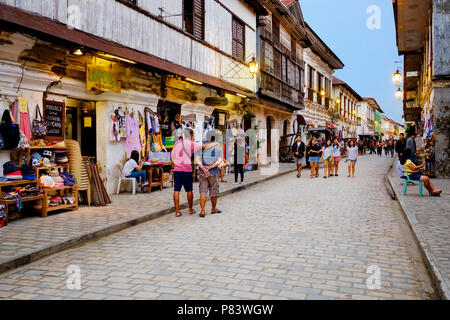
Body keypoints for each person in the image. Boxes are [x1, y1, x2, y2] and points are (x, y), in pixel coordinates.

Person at [171, 128, 217, 217]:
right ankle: (190, 209)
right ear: (191, 136)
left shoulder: (177, 143)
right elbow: (203, 147)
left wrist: (174, 165)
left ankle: (177, 212)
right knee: (189, 190)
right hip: (186, 169)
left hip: (177, 169)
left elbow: (172, 156)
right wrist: (215, 143)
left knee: (176, 190)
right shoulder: (191, 143)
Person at [195, 134, 223, 218]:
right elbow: (219, 161)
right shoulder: (218, 148)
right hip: (213, 172)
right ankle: (213, 209)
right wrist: (210, 167)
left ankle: (202, 211)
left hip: (203, 173)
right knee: (214, 191)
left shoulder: (200, 147)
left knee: (202, 191)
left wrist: (203, 168)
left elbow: (197, 160)